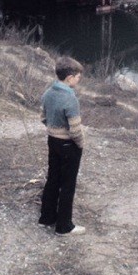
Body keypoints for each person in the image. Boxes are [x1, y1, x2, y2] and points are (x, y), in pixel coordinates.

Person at [39, 56, 86, 235]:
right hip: (68, 145)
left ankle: (46, 217)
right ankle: (64, 226)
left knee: (53, 179)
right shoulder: (70, 99)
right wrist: (80, 144)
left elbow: (43, 117)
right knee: (68, 184)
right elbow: (75, 130)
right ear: (69, 78)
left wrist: (53, 130)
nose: (78, 79)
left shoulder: (48, 92)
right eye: (77, 77)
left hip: (52, 140)